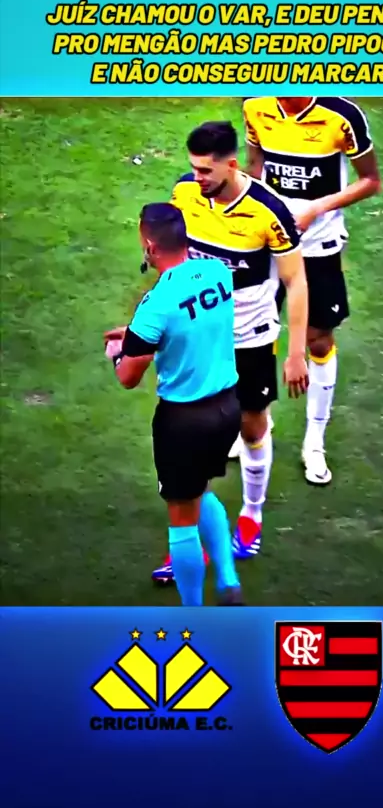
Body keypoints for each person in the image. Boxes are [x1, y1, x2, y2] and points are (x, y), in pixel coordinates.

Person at [152, 120, 309, 583]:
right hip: (200, 337)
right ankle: (191, 541)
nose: (197, 178)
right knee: (189, 436)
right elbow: (177, 264)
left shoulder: (268, 211)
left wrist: (295, 353)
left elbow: (296, 280)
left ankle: (251, 515)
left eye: (206, 170)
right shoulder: (185, 194)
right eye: (194, 168)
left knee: (251, 423)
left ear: (232, 164)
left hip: (250, 338)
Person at [104, 202, 244, 606]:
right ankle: (228, 581)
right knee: (201, 490)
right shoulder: (218, 273)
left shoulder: (157, 304)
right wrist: (135, 333)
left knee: (182, 519)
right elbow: (191, 320)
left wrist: (117, 351)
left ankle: (193, 617)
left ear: (150, 245)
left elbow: (128, 376)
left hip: (184, 422)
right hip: (227, 408)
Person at [242, 96, 382, 485]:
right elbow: (257, 166)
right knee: (254, 335)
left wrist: (316, 208)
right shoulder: (255, 105)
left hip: (319, 245)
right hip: (267, 244)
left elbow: (371, 181)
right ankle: (256, 420)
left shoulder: (342, 115)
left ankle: (314, 441)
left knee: (318, 339)